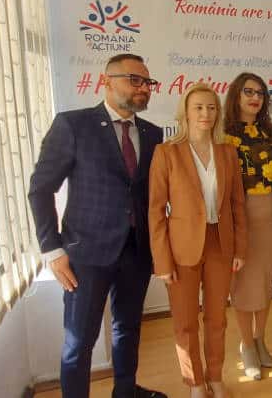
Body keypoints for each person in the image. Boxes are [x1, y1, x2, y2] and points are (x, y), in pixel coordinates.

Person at [28, 54, 166, 398]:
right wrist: (52, 249)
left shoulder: (152, 133)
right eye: (135, 80)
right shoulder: (73, 125)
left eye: (148, 82)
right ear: (107, 81)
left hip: (136, 251)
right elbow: (41, 189)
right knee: (79, 340)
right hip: (85, 254)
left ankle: (125, 391)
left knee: (128, 328)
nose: (144, 88)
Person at [148, 83, 247, 398]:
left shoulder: (227, 152)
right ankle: (195, 384)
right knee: (185, 322)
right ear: (186, 113)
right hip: (181, 249)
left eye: (212, 107)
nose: (206, 113)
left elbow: (237, 204)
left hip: (220, 244)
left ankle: (215, 377)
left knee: (217, 319)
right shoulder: (167, 152)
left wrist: (240, 248)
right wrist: (162, 262)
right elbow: (155, 211)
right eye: (199, 107)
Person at [223, 73, 272, 380]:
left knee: (265, 282)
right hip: (241, 217)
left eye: (260, 93)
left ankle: (260, 339)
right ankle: (246, 345)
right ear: (236, 95)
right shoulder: (222, 134)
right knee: (244, 286)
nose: (255, 98)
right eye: (248, 92)